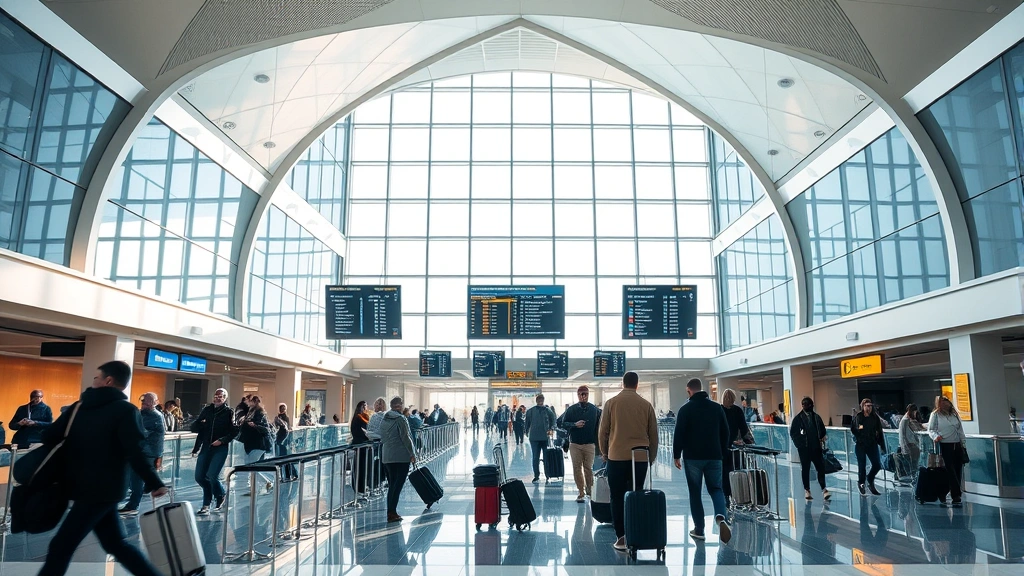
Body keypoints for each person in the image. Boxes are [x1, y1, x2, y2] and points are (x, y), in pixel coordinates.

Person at [38, 361, 169, 576]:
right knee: (116, 545)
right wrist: (154, 482)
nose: (94, 381)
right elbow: (134, 450)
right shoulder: (126, 411)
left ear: (108, 380)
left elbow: (49, 435)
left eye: (96, 378)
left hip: (89, 491)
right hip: (108, 489)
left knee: (61, 546)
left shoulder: (79, 407)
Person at [598, 371, 659, 552]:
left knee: (616, 496)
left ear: (622, 383)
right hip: (639, 458)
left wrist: (605, 452)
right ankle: (635, 532)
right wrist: (651, 457)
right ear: (637, 384)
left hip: (616, 456)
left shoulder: (611, 403)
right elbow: (653, 435)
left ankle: (621, 537)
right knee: (635, 494)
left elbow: (603, 432)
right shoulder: (646, 405)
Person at [672, 378, 731, 544]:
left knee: (695, 492)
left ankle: (699, 529)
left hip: (693, 457)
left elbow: (679, 434)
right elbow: (725, 432)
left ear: (689, 391)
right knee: (716, 489)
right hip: (714, 455)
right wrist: (722, 451)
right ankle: (721, 516)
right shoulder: (716, 408)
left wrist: (677, 455)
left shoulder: (685, 409)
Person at [190, 388, 237, 515]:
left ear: (225, 398)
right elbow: (195, 427)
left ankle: (208, 502)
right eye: (216, 395)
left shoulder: (229, 412)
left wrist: (222, 440)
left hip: (220, 448)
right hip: (206, 446)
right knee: (200, 476)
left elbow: (234, 431)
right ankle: (218, 495)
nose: (217, 398)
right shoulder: (207, 410)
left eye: (220, 396)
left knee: (211, 475)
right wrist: (201, 423)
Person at [119, 392, 165, 515]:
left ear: (155, 402)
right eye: (143, 400)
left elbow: (142, 432)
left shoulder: (155, 416)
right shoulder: (142, 414)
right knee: (134, 478)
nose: (144, 403)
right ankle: (136, 499)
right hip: (142, 450)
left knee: (137, 478)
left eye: (147, 401)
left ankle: (133, 505)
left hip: (148, 452)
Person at [561, 385, 601, 503]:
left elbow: (599, 428)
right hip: (575, 444)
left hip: (589, 444)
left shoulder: (594, 410)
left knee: (588, 468)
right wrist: (574, 424)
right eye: (581, 394)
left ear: (588, 395)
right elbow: (562, 423)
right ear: (577, 395)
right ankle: (581, 492)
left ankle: (589, 490)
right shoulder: (571, 410)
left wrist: (599, 447)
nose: (583, 396)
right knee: (577, 468)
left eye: (585, 394)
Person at [379, 397, 416, 523]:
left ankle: (391, 510)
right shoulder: (401, 419)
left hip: (387, 456)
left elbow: (381, 435)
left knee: (392, 485)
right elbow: (406, 437)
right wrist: (412, 453)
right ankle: (392, 512)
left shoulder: (384, 418)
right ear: (400, 406)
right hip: (400, 456)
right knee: (397, 485)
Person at [927, 396, 967, 507]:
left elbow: (960, 430)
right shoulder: (935, 415)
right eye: (942, 402)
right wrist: (935, 436)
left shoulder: (954, 415)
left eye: (946, 401)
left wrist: (963, 444)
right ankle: (956, 494)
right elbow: (931, 429)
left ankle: (955, 492)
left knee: (958, 469)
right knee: (950, 470)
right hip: (945, 445)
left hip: (957, 444)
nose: (945, 404)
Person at [789, 397, 831, 501]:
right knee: (806, 468)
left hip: (816, 447)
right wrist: (800, 444)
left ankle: (824, 489)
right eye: (807, 405)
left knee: (820, 468)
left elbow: (822, 430)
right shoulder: (798, 419)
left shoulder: (816, 417)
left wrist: (821, 437)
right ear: (803, 405)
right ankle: (807, 490)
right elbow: (793, 433)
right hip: (804, 449)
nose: (809, 407)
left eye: (810, 405)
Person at [239, 395, 275, 495]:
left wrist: (255, 425)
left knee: (250, 466)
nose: (246, 402)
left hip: (258, 444)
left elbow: (266, 428)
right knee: (249, 466)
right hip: (251, 443)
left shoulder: (260, 412)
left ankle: (265, 483)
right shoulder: (251, 411)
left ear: (254, 401)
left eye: (249, 400)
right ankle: (257, 487)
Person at [720, 389, 751, 503]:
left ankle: (726, 494)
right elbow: (743, 428)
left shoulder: (719, 409)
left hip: (722, 447)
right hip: (735, 447)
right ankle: (736, 494)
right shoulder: (737, 410)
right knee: (736, 469)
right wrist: (747, 441)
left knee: (724, 472)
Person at [850, 398, 884, 496]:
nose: (868, 408)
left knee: (877, 464)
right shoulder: (859, 417)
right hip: (861, 444)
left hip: (872, 443)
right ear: (863, 406)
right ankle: (861, 483)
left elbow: (879, 430)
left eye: (870, 406)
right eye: (866, 406)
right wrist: (859, 437)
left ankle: (870, 478)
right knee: (862, 465)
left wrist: (881, 444)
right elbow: (855, 429)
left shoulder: (874, 417)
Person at [525, 394, 556, 483]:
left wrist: (552, 428)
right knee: (537, 457)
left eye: (541, 400)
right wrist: (526, 431)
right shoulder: (532, 411)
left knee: (541, 457)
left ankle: (544, 475)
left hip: (542, 437)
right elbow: (527, 423)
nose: (540, 401)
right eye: (539, 400)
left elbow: (553, 421)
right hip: (537, 437)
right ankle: (539, 475)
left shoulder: (547, 410)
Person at [274, 403, 298, 482]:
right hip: (281, 441)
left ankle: (289, 475)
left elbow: (285, 429)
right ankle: (288, 475)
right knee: (284, 459)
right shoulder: (280, 417)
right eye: (281, 408)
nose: (282, 410)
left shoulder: (283, 418)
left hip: (282, 442)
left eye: (283, 408)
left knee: (284, 459)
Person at [899, 404, 924, 474]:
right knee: (913, 464)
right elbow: (902, 435)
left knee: (913, 464)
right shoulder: (905, 420)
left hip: (911, 444)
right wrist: (904, 447)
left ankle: (913, 476)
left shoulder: (907, 420)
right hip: (910, 445)